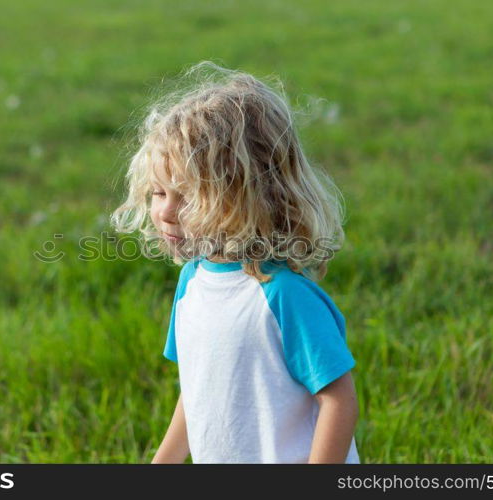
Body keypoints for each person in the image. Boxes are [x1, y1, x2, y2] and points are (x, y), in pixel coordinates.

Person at [111, 61, 360, 464]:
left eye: (187, 196)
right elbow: (197, 392)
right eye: (158, 192)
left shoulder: (283, 295)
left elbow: (339, 401)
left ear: (245, 194)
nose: (166, 213)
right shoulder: (192, 282)